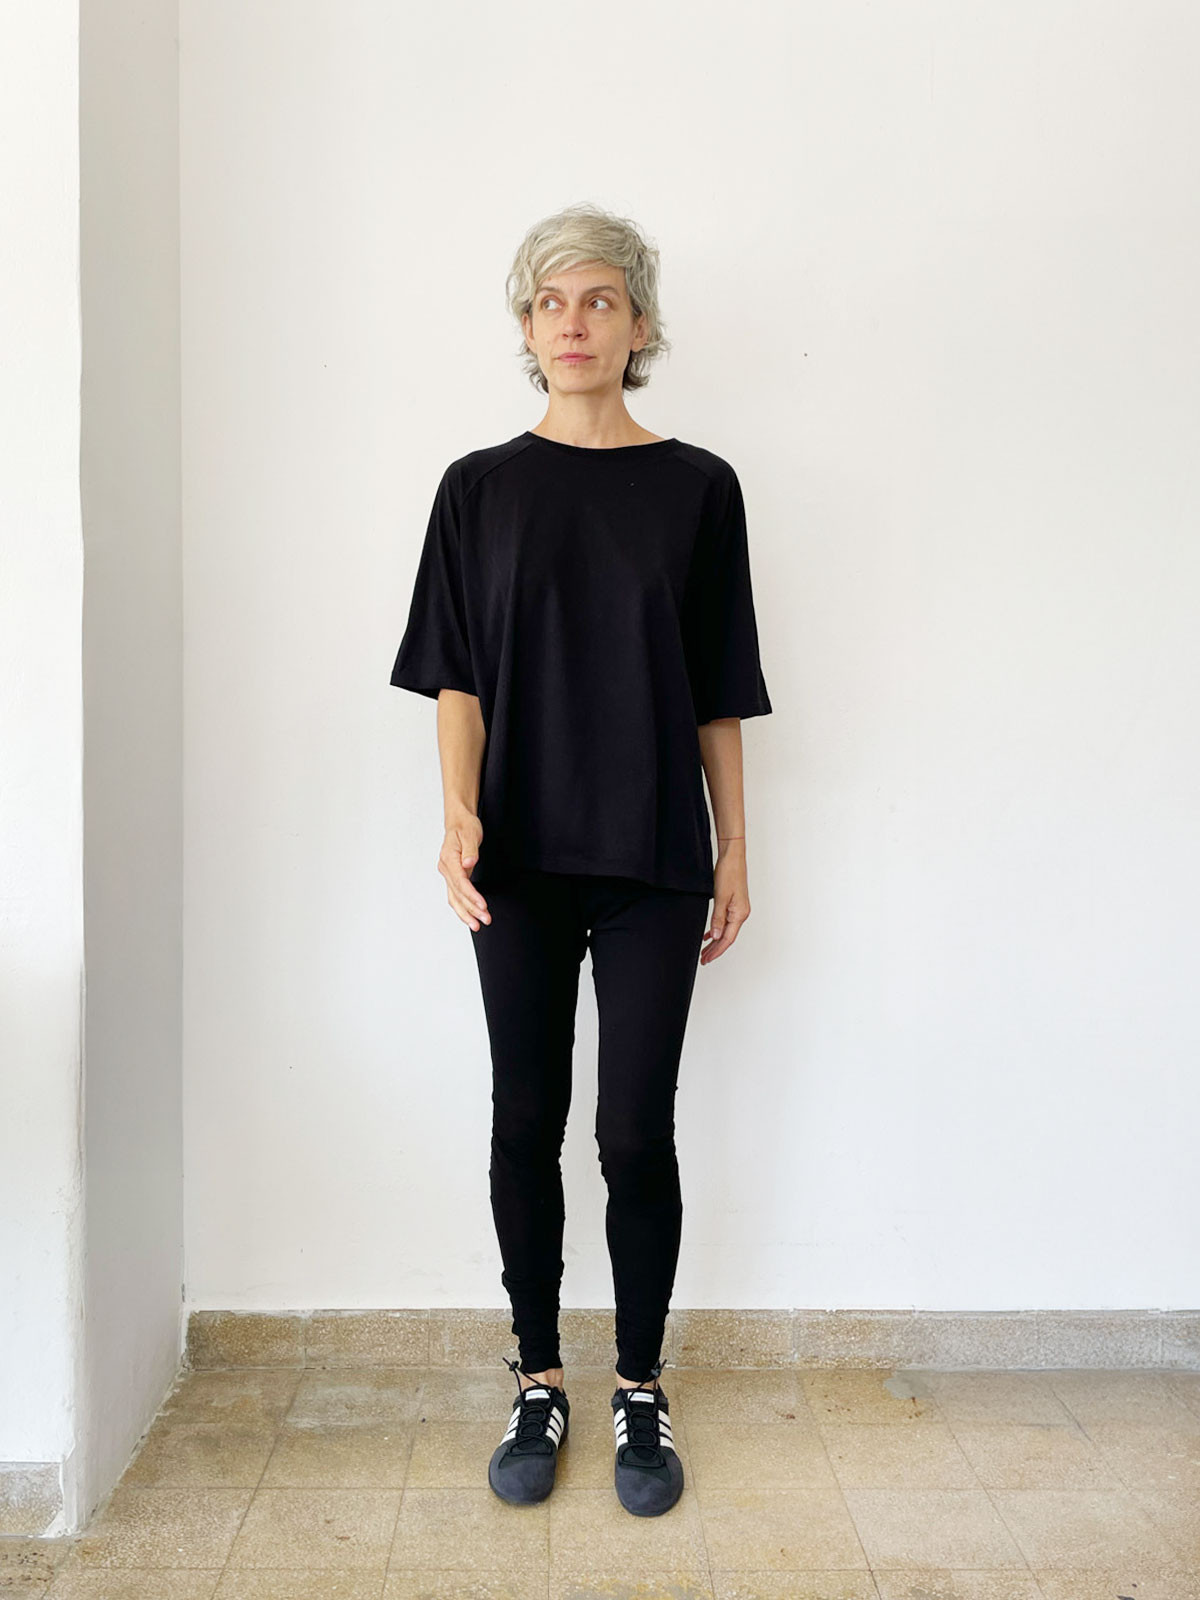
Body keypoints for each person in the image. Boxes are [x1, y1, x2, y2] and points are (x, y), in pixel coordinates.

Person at [389, 202, 772, 1517]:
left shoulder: (700, 489)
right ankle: (539, 1377)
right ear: (525, 326)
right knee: (524, 1118)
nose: (574, 322)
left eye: (600, 299)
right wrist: (457, 814)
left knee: (632, 1131)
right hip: (521, 856)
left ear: (639, 325)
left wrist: (735, 845)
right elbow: (458, 680)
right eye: (550, 302)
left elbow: (718, 688)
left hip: (655, 855)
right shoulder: (479, 490)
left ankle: (641, 1390)